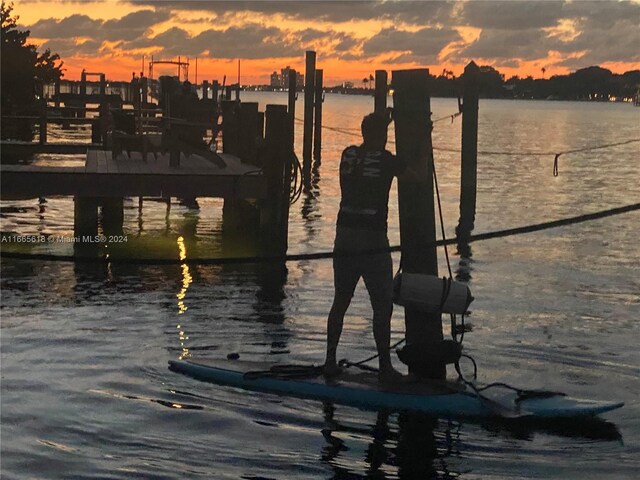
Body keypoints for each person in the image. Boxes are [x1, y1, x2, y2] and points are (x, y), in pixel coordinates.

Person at [324, 111, 407, 383]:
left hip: (344, 234)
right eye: (384, 133)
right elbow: (416, 176)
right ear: (379, 135)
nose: (386, 138)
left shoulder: (347, 155)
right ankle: (385, 366)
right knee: (382, 304)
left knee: (341, 300)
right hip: (371, 237)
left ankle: (330, 361)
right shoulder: (385, 160)